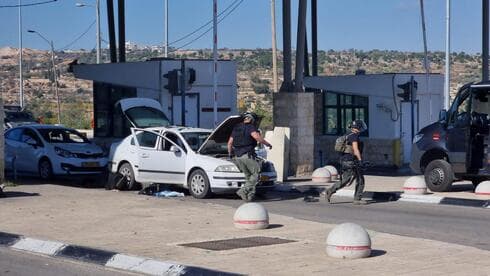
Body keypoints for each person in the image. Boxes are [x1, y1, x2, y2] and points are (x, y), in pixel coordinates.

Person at [227, 112, 272, 202]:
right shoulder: (250, 127)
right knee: (256, 174)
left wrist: (230, 154)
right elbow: (257, 138)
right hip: (247, 155)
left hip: (238, 157)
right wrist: (268, 144)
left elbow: (229, 143)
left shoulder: (236, 127)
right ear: (251, 119)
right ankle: (243, 191)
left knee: (248, 177)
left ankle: (249, 197)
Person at [325, 119, 368, 205]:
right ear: (358, 127)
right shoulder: (354, 136)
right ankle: (331, 191)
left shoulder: (348, 134)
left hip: (346, 160)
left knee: (353, 179)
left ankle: (356, 199)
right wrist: (360, 160)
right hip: (351, 160)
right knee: (354, 179)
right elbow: (355, 150)